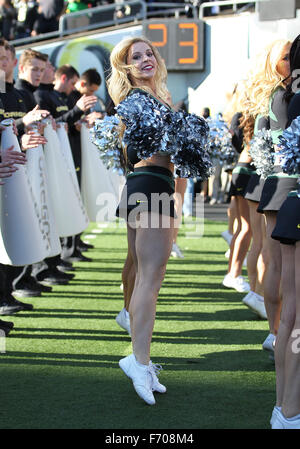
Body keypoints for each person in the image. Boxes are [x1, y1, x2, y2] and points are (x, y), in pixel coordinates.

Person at [269, 34, 300, 429]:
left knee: (291, 315)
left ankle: (284, 407)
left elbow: (286, 155)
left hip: (294, 200)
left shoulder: (292, 95)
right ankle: (290, 410)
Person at [256, 39, 294, 351]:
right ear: (273, 64)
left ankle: (275, 332)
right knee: (279, 264)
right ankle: (278, 331)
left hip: (274, 183)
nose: (290, 59)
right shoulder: (283, 94)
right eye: (285, 56)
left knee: (276, 263)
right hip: (285, 183)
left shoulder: (278, 94)